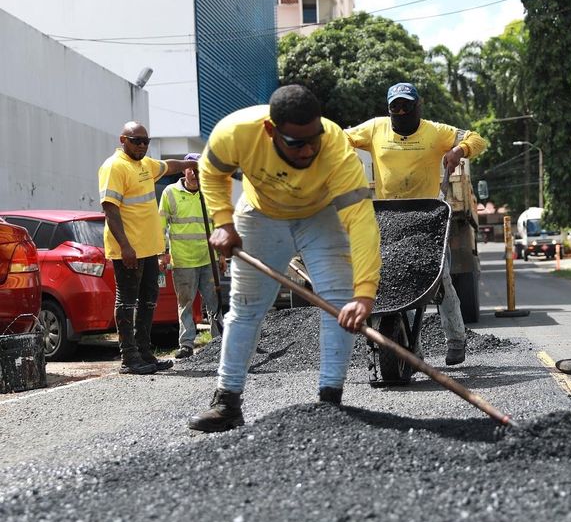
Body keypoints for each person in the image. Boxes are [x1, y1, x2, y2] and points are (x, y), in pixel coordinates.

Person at [188, 84, 381, 433]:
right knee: (245, 308)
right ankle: (227, 402)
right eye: (296, 143)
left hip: (319, 216)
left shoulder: (336, 147)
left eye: (314, 139)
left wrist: (364, 293)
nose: (308, 150)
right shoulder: (236, 132)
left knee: (337, 304)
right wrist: (223, 222)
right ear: (270, 131)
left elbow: (361, 220)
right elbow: (211, 171)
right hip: (261, 216)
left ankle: (330, 404)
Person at [345, 82, 487, 365]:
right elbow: (340, 138)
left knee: (441, 279)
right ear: (389, 109)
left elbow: (477, 139)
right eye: (395, 106)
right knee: (397, 283)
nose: (401, 110)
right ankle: (411, 348)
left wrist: (460, 150)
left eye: (406, 105)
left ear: (417, 106)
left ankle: (456, 339)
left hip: (428, 216)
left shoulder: (434, 132)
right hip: (390, 217)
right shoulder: (375, 128)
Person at [99, 122, 198, 374]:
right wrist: (125, 247)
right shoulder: (115, 166)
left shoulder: (144, 165)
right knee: (127, 302)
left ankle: (144, 353)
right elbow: (110, 209)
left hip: (149, 249)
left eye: (146, 141)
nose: (142, 145)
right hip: (129, 250)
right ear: (123, 139)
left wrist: (190, 165)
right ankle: (129, 358)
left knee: (148, 301)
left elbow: (170, 166)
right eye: (136, 140)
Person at [158, 153, 225, 359]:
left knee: (214, 301)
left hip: (208, 259)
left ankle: (218, 341)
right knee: (185, 303)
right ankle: (187, 344)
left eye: (198, 169)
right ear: (183, 170)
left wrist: (221, 255)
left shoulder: (209, 193)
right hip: (184, 260)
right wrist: (162, 253)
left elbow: (219, 225)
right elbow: (161, 226)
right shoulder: (170, 193)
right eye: (191, 168)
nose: (195, 173)